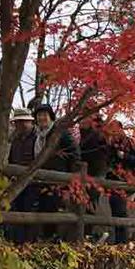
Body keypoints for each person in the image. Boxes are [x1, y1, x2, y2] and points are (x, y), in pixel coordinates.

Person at [31, 103, 80, 241]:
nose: (42, 118)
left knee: (53, 207)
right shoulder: (38, 136)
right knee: (43, 208)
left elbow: (75, 154)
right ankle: (43, 238)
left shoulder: (60, 133)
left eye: (45, 115)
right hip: (41, 179)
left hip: (58, 179)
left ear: (51, 116)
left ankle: (54, 239)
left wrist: (71, 178)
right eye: (39, 115)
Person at [105, 120, 135, 243]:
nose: (114, 132)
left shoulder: (131, 143)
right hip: (112, 179)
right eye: (111, 130)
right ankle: (118, 239)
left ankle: (121, 241)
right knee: (115, 208)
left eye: (115, 129)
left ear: (121, 129)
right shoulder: (109, 143)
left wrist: (125, 156)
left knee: (120, 209)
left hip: (127, 180)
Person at [4, 108, 36, 243]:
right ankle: (16, 241)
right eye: (17, 122)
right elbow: (12, 159)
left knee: (29, 212)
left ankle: (28, 243)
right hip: (16, 181)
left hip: (33, 182)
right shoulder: (16, 139)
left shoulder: (38, 137)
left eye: (23, 122)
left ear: (30, 121)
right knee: (14, 211)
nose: (20, 125)